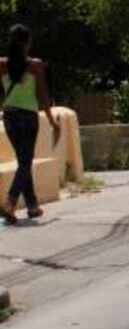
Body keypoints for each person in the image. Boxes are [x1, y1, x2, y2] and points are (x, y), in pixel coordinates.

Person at [1, 24, 60, 225]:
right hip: (27, 118)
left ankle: (33, 206)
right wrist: (53, 121)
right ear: (27, 43)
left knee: (23, 161)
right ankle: (10, 202)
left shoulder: (2, 64)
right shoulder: (34, 66)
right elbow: (42, 97)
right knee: (25, 162)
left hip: (8, 117)